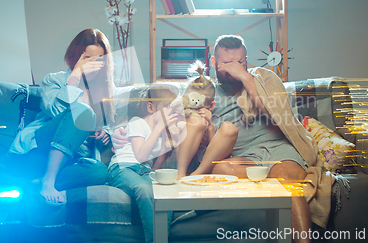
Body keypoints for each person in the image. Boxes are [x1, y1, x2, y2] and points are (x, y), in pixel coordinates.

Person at [208, 35, 333, 243]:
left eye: (240, 62)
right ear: (213, 63)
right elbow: (208, 141)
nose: (234, 69)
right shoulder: (209, 92)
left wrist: (246, 79)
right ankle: (270, 184)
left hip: (279, 150)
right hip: (245, 157)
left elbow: (276, 115)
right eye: (227, 63)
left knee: (287, 180)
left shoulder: (262, 79)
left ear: (247, 61)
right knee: (220, 169)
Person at [4, 28, 115, 205]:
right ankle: (48, 181)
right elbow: (56, 111)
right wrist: (76, 75)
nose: (93, 64)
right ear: (76, 56)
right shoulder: (53, 80)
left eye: (99, 59)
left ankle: (38, 183)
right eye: (87, 58)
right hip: (39, 150)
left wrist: (106, 133)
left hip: (72, 158)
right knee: (81, 111)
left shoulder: (106, 90)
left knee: (99, 172)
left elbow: (109, 125)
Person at [108, 83, 180, 243]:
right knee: (143, 188)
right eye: (167, 107)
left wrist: (167, 141)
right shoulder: (137, 123)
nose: (171, 112)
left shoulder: (161, 134)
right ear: (151, 108)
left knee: (164, 193)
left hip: (144, 170)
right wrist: (159, 127)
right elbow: (140, 155)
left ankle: (161, 239)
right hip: (122, 167)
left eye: (173, 108)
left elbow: (155, 166)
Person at [166, 60, 238, 179]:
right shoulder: (177, 113)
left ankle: (197, 175)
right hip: (177, 160)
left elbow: (213, 149)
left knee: (230, 128)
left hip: (202, 162)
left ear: (211, 106)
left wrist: (210, 126)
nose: (193, 109)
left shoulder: (212, 118)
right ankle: (181, 175)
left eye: (199, 107)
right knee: (197, 121)